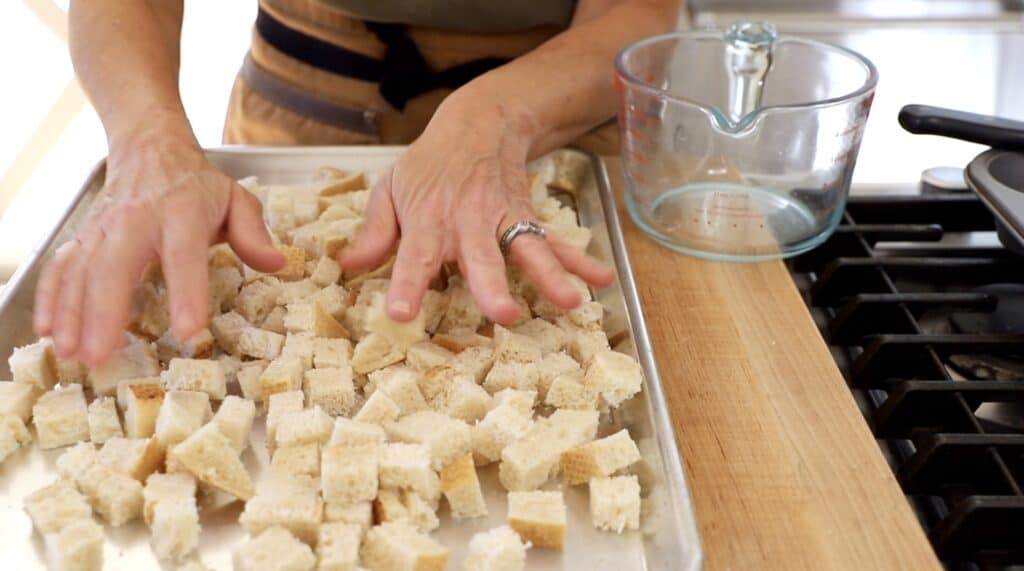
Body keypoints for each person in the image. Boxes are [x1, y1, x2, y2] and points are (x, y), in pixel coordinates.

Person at [34, 0, 680, 368]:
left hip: (551, 106)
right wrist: (148, 141)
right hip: (299, 100)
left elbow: (638, 13)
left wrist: (495, 120)